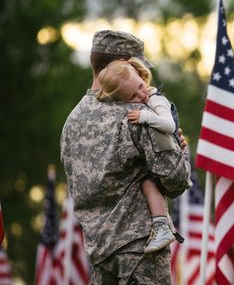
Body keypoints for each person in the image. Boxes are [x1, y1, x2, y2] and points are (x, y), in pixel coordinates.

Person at [61, 30, 191, 284]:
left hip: (98, 251)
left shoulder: (72, 121)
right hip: (142, 251)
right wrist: (179, 148)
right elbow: (176, 179)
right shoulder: (137, 113)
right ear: (123, 62)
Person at [95, 57, 182, 253]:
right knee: (145, 182)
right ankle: (161, 225)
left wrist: (145, 117)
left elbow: (169, 125)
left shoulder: (156, 99)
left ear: (142, 75)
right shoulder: (133, 97)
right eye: (133, 96)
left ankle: (162, 227)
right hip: (162, 149)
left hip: (173, 155)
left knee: (148, 183)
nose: (142, 94)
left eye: (141, 86)